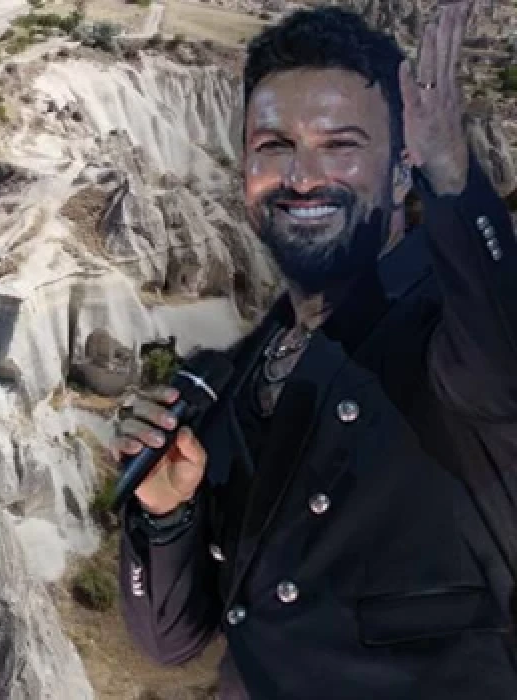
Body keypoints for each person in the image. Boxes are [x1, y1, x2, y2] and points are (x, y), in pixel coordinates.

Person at [111, 3, 517, 698]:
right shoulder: (229, 381)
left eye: (341, 144)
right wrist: (165, 512)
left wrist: (453, 179)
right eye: (273, 145)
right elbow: (170, 639)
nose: (302, 177)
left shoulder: (447, 330)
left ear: (399, 173)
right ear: (243, 171)